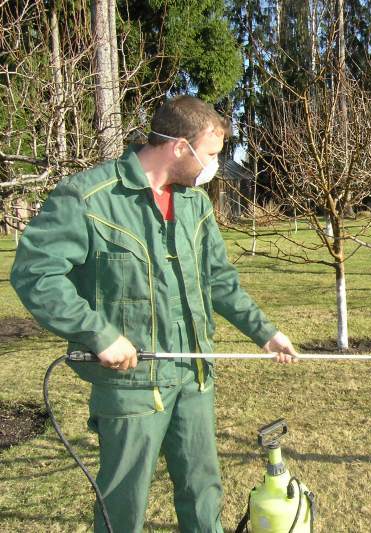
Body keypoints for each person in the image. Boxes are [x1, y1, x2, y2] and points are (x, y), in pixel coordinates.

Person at [10, 95, 297, 532]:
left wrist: (266, 332)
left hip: (195, 375)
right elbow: (35, 274)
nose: (214, 166)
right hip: (131, 388)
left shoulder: (195, 205)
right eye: (212, 154)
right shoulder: (88, 198)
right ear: (180, 148)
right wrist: (98, 333)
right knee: (123, 503)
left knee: (203, 490)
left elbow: (219, 280)